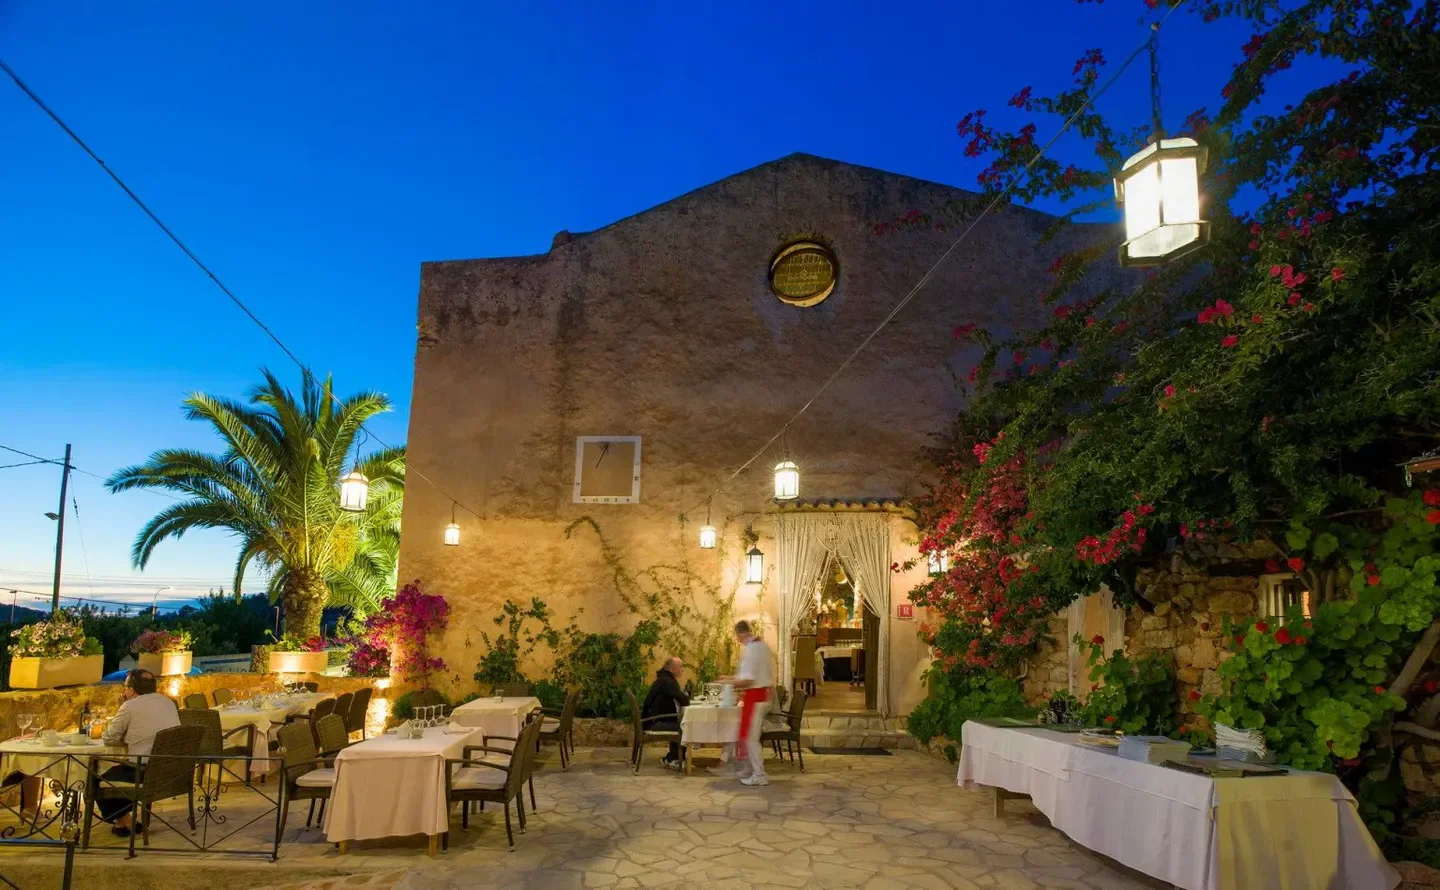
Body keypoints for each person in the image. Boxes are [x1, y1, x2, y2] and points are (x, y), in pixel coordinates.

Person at [96, 668, 181, 836]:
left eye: (125, 687)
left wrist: (122, 708)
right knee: (115, 772)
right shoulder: (168, 702)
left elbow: (109, 738)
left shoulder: (130, 706)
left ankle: (123, 820)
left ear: (131, 690)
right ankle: (124, 822)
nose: (123, 690)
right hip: (170, 769)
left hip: (144, 772)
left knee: (94, 776)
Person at [720, 620, 774, 787]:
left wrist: (728, 684)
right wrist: (728, 678)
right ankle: (750, 769)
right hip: (761, 695)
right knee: (749, 736)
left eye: (737, 636)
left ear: (740, 633)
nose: (737, 640)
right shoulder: (762, 646)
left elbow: (748, 680)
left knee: (751, 739)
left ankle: (759, 774)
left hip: (755, 697)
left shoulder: (752, 650)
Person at [640, 656, 690, 770]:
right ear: (672, 669)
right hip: (654, 723)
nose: (682, 669)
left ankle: (671, 757)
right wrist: (686, 695)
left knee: (678, 723)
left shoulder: (664, 678)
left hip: (652, 720)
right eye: (680, 667)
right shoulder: (668, 681)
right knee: (685, 727)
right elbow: (684, 700)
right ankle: (676, 759)